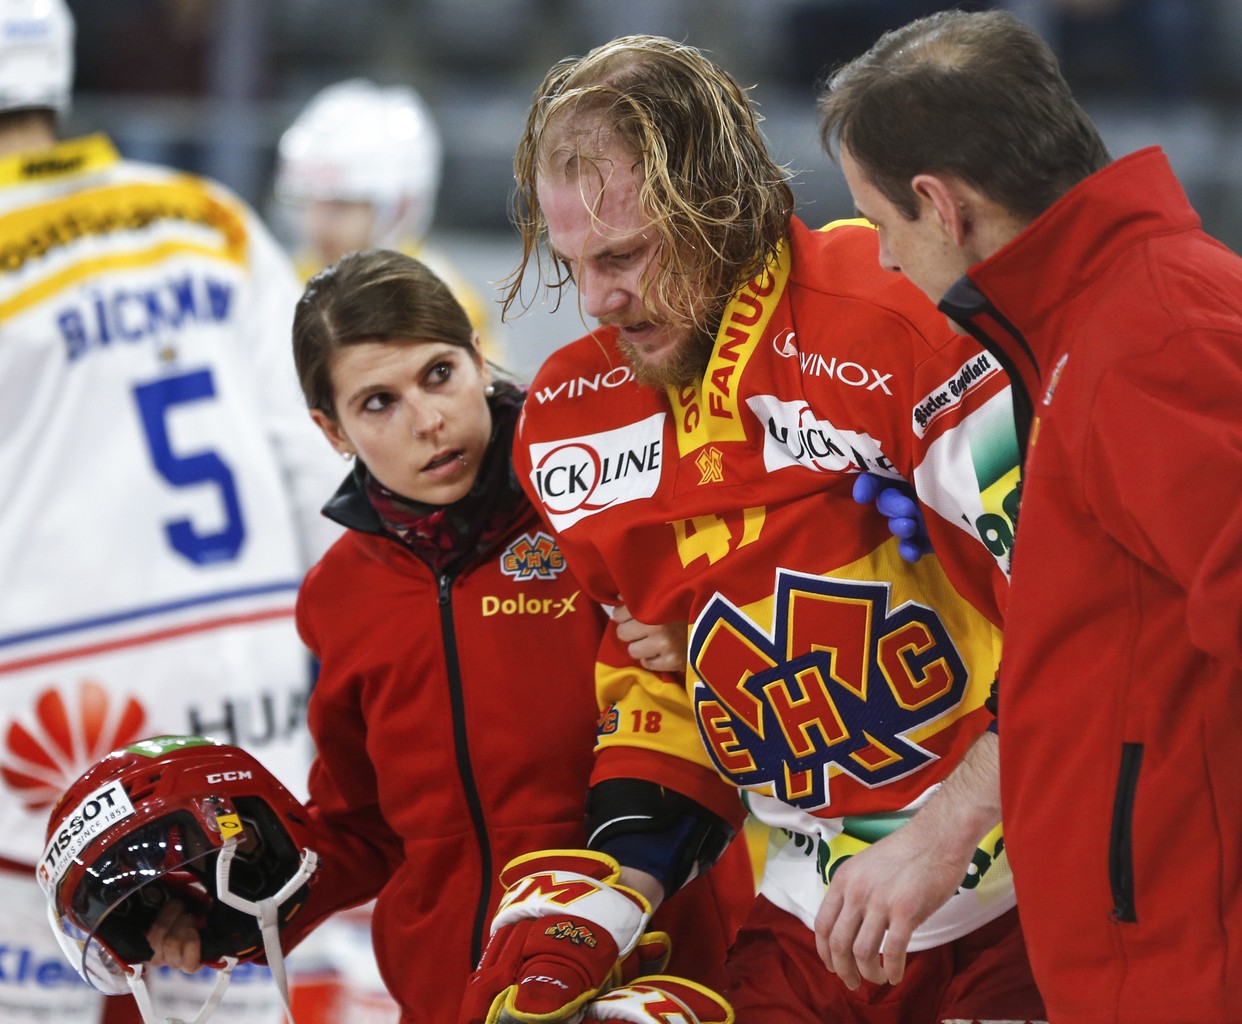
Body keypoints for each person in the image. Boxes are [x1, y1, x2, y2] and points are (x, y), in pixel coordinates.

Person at [817, 9, 1242, 1023]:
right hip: (1184, 956)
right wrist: (953, 825)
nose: (879, 259)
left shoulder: (1156, 341)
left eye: (879, 223)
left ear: (940, 204)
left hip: (1225, 974)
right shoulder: (1124, 320)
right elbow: (1112, 658)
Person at [481, 34, 1046, 1024]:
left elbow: (1075, 613)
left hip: (1020, 889)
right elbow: (661, 695)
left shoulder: (898, 318)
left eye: (624, 255)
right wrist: (613, 887)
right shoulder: (567, 421)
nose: (600, 300)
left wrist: (952, 827)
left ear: (723, 204)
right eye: (574, 263)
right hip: (812, 915)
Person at [143, 248, 747, 1024]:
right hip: (443, 1000)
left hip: (650, 979)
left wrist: (709, 635)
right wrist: (220, 904)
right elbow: (361, 829)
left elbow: (747, 718)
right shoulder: (339, 595)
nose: (428, 420)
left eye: (439, 374)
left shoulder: (602, 503)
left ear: (476, 357)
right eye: (377, 403)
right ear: (330, 429)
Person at [0, 0, 342, 1020]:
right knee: (236, 969)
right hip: (246, 669)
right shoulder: (208, 213)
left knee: (37, 997)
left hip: (46, 686)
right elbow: (312, 454)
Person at [273, 78, 498, 348]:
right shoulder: (285, 280)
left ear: (400, 209)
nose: (318, 223)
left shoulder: (443, 299)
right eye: (309, 201)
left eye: (341, 205)